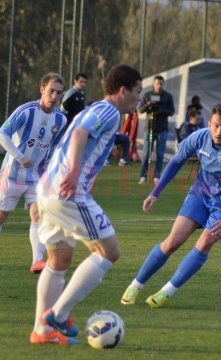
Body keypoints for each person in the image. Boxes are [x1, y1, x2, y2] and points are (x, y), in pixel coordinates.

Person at [30, 64, 142, 345]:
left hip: (47, 190)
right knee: (109, 251)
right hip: (69, 192)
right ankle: (58, 314)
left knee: (58, 261)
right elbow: (79, 135)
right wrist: (76, 170)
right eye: (138, 92)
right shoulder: (108, 111)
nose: (139, 99)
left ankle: (41, 332)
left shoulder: (94, 109)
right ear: (122, 90)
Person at [121, 103, 221, 309]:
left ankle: (166, 292)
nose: (219, 131)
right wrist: (155, 193)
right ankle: (135, 285)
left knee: (204, 243)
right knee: (172, 242)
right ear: (209, 123)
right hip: (201, 194)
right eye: (215, 125)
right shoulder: (199, 137)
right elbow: (176, 162)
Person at [0, 73, 67, 273]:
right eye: (51, 91)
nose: (54, 96)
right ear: (42, 89)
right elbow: (2, 134)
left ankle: (37, 260)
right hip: (12, 174)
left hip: (37, 177)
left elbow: (54, 147)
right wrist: (20, 156)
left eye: (59, 93)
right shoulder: (26, 111)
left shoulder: (61, 120)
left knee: (38, 214)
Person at [138, 75, 175, 185]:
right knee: (146, 154)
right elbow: (140, 110)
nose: (159, 85)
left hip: (162, 128)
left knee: (160, 153)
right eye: (157, 83)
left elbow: (171, 111)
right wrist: (148, 105)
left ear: (163, 84)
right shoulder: (147, 95)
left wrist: (160, 110)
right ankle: (143, 176)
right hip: (149, 128)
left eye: (161, 84)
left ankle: (157, 175)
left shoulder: (168, 96)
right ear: (154, 84)